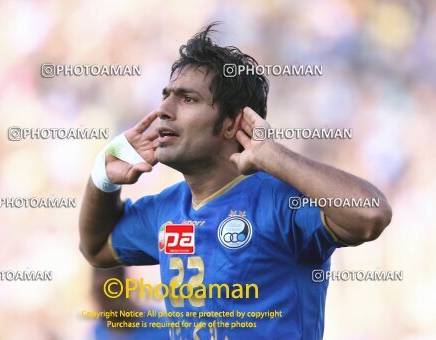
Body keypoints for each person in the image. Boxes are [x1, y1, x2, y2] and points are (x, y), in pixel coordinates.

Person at [79, 23, 392, 339]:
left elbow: (371, 214)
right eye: (166, 96)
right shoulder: (166, 209)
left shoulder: (280, 201)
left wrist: (273, 155)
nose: (163, 109)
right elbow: (95, 249)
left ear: (231, 124)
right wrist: (103, 179)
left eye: (187, 99)